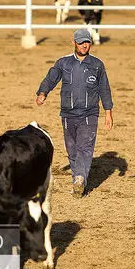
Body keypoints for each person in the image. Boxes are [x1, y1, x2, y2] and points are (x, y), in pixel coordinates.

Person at [36, 28, 114, 198]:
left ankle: (80, 179)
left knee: (84, 147)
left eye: (87, 42)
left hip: (89, 114)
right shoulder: (63, 63)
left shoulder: (97, 65)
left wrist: (108, 112)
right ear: (74, 43)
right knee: (71, 150)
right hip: (68, 114)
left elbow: (104, 89)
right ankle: (77, 179)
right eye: (81, 42)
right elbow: (51, 78)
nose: (84, 45)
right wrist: (43, 93)